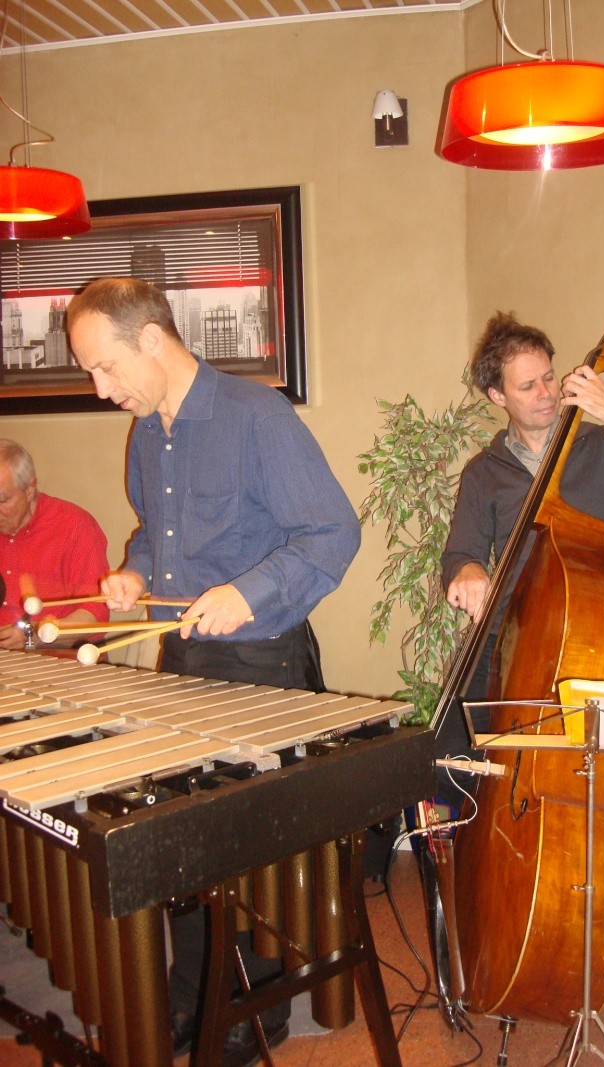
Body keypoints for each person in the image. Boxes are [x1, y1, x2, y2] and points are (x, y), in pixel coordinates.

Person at [66, 277, 361, 1067]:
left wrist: (247, 591)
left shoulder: (255, 417)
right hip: (183, 659)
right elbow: (156, 541)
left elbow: (331, 533)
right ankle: (194, 991)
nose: (101, 389)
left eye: (104, 368)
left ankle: (243, 1010)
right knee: (183, 850)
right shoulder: (148, 434)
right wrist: (133, 571)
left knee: (247, 854)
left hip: (261, 662)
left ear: (152, 342)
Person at [439, 311, 604, 1011]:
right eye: (529, 385)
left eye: (551, 376)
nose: (548, 393)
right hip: (518, 654)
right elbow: (459, 551)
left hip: (597, 648)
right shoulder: (485, 474)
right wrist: (465, 574)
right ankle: (516, 928)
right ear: (498, 397)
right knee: (505, 798)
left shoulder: (598, 446)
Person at [0, 439, 109, 650]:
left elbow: (95, 615)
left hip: (60, 663)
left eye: (1, 500)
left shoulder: (74, 527)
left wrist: (35, 634)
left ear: (30, 489)